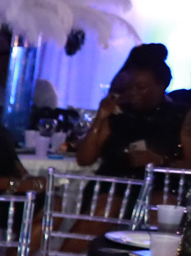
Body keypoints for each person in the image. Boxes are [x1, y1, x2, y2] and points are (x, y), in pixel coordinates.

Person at [77, 44, 190, 177]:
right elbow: (84, 160)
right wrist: (99, 119)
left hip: (158, 184)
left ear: (161, 86)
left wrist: (161, 161)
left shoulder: (180, 116)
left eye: (140, 87)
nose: (133, 93)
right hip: (114, 181)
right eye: (128, 87)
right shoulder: (119, 114)